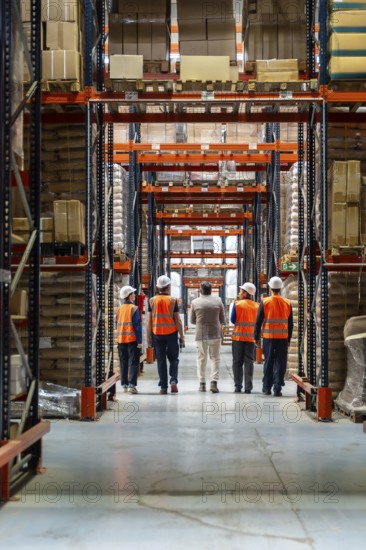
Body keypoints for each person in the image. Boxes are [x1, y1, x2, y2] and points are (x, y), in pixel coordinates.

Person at [254, 276, 293, 397]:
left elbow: (258, 321)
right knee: (280, 362)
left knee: (269, 361)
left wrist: (256, 337)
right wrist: (288, 339)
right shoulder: (287, 302)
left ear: (270, 288)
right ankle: (277, 388)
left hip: (269, 336)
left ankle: (266, 388)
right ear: (280, 288)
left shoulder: (265, 302)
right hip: (282, 337)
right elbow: (290, 323)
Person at [147, 275, 185, 394]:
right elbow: (178, 320)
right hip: (171, 334)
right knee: (174, 359)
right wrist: (182, 337)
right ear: (168, 287)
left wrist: (149, 337)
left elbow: (149, 321)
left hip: (157, 334)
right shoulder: (173, 300)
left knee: (161, 360)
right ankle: (173, 380)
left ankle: (163, 387)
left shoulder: (151, 300)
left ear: (158, 287)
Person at [190, 281, 226, 393]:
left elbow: (192, 321)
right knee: (215, 358)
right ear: (211, 290)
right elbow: (222, 319)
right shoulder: (218, 301)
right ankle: (214, 383)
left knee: (201, 359)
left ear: (200, 290)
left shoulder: (195, 302)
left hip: (201, 334)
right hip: (215, 333)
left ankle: (202, 384)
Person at [231, 282, 259, 394]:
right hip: (250, 338)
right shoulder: (257, 305)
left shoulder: (237, 305)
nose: (239, 292)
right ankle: (248, 387)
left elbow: (233, 320)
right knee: (249, 362)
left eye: (241, 291)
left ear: (246, 293)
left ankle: (238, 386)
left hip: (238, 338)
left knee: (237, 362)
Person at [116, 285, 142, 394]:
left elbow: (117, 323)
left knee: (123, 362)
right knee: (134, 361)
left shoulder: (119, 309)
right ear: (129, 296)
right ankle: (132, 385)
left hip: (121, 339)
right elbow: (137, 326)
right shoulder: (134, 308)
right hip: (132, 339)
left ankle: (125, 385)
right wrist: (140, 341)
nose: (134, 295)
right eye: (133, 294)